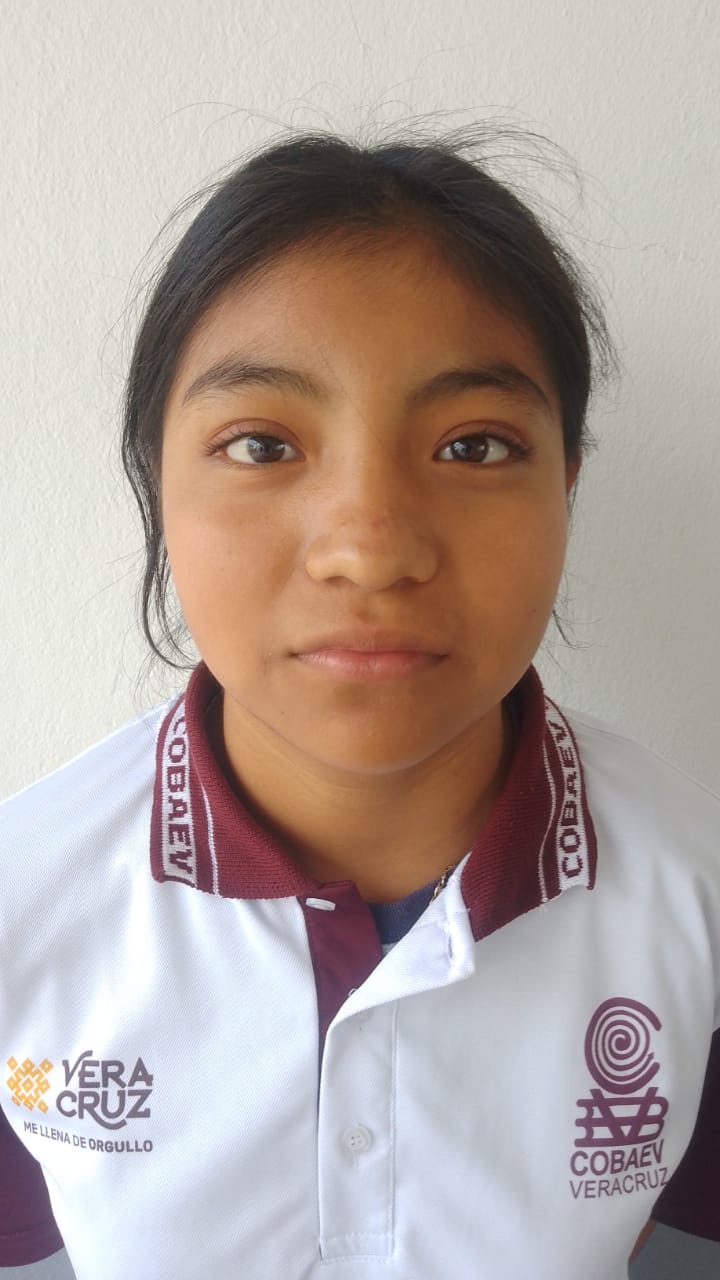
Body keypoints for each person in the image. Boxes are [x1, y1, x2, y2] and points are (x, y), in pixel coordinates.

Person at [1, 129, 718, 1280]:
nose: (370, 549)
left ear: (567, 480)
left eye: (474, 444)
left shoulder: (696, 889)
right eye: (262, 443)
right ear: (157, 480)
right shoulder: (26, 896)